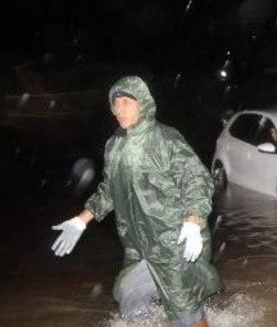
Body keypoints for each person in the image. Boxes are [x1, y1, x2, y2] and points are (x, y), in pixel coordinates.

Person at [51, 76, 220, 327]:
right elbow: (109, 190)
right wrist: (80, 220)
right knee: (131, 301)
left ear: (143, 104)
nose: (119, 109)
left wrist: (194, 222)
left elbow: (197, 180)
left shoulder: (165, 139)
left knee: (184, 310)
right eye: (115, 103)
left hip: (173, 240)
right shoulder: (114, 145)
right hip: (137, 246)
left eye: (127, 102)